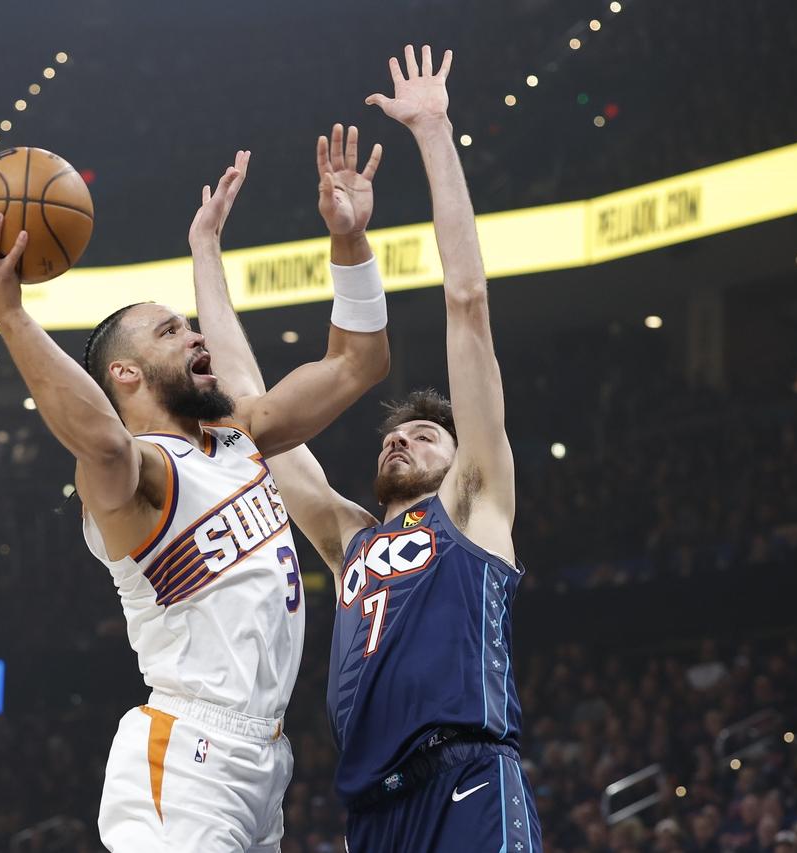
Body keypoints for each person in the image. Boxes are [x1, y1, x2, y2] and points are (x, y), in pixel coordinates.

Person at [0, 135, 389, 853]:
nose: (195, 336)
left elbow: (357, 363)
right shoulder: (139, 474)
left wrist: (348, 240)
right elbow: (101, 441)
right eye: (171, 331)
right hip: (185, 758)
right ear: (125, 375)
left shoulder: (240, 437)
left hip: (266, 760)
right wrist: (11, 314)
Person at [191, 45, 541, 853]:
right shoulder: (351, 540)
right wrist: (206, 254)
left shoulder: (475, 502)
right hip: (373, 815)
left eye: (424, 433)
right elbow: (250, 415)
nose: (401, 438)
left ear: (460, 457)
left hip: (466, 778)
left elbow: (467, 301)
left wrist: (433, 131)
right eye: (392, 434)